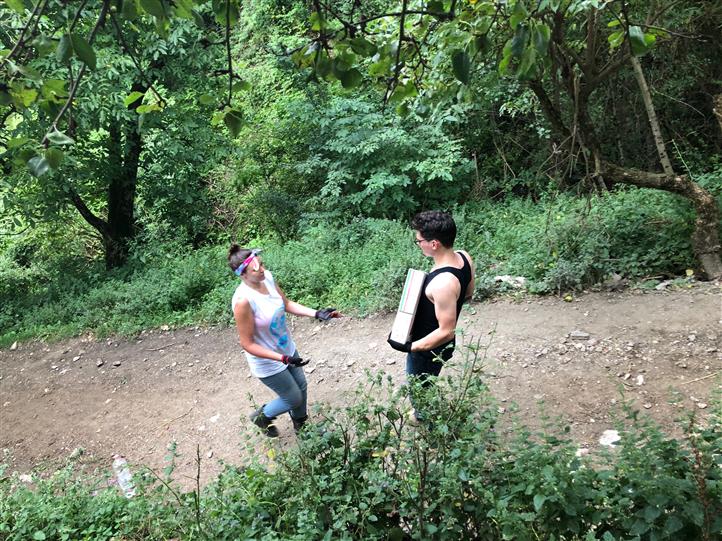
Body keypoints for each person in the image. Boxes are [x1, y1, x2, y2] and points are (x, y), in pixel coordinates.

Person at [229, 244, 340, 437]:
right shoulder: (243, 301)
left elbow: (286, 304)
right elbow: (247, 344)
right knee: (292, 398)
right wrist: (282, 359)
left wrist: (317, 313)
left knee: (302, 386)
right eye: (256, 269)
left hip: (285, 347)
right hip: (267, 360)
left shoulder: (268, 278)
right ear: (243, 275)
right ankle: (261, 417)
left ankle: (302, 428)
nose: (262, 270)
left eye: (262, 265)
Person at [387, 210, 475, 419]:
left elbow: (446, 331)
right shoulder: (464, 257)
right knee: (429, 379)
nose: (418, 244)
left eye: (419, 241)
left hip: (428, 348)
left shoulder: (442, 283)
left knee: (419, 386)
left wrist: (409, 347)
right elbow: (469, 294)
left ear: (434, 243)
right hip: (436, 344)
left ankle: (424, 418)